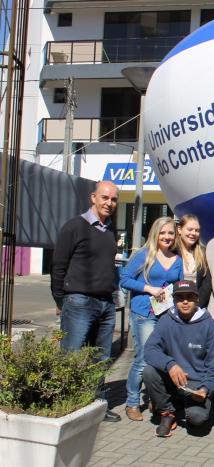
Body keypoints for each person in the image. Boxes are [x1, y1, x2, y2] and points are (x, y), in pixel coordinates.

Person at [50, 181, 122, 422]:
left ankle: (96, 405)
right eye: (105, 198)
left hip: (105, 303)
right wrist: (61, 300)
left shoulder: (110, 230)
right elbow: (58, 266)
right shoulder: (74, 227)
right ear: (93, 197)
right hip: (79, 302)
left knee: (100, 358)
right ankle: (63, 404)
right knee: (71, 355)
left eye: (113, 199)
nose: (109, 203)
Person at [120, 216, 183, 421]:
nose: (167, 236)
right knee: (144, 358)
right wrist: (149, 289)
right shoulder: (143, 255)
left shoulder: (177, 258)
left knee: (161, 359)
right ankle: (132, 402)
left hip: (167, 315)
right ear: (155, 234)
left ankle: (155, 399)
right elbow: (124, 279)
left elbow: (180, 286)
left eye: (170, 233)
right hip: (144, 313)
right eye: (163, 232)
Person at [142, 280, 214, 437]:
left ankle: (190, 403)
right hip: (173, 379)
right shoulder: (166, 321)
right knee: (149, 371)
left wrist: (205, 389)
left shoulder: (210, 326)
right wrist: (170, 364)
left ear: (197, 299)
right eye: (180, 297)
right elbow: (149, 349)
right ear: (174, 300)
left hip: (196, 384)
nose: (185, 301)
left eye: (190, 297)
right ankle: (167, 412)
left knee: (197, 420)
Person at [174, 214, 212, 306]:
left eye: (197, 230)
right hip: (174, 305)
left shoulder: (203, 253)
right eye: (190, 229)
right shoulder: (172, 252)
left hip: (195, 305)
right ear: (179, 229)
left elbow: (206, 284)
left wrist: (198, 305)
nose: (193, 233)